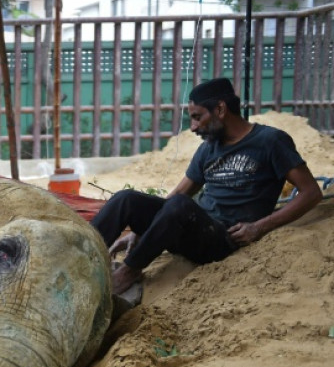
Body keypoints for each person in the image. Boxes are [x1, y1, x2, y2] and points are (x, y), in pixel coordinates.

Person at [91, 77, 323, 296]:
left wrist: (259, 227)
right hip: (191, 229)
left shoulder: (270, 141)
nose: (192, 127)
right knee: (125, 198)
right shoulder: (209, 148)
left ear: (220, 110)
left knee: (181, 205)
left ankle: (129, 271)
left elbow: (311, 193)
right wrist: (141, 232)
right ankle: (82, 260)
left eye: (197, 117)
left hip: (225, 238)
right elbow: (179, 191)